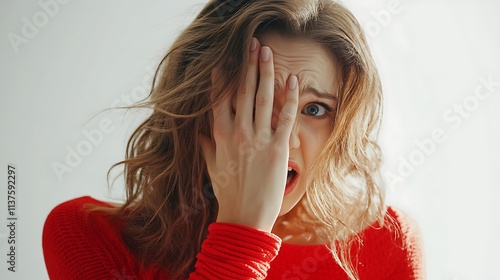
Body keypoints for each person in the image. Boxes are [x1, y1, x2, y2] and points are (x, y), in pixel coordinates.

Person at [42, 0, 424, 279]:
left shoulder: (386, 245)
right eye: (256, 99)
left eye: (314, 109)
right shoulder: (86, 236)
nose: (284, 139)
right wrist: (243, 233)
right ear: (197, 108)